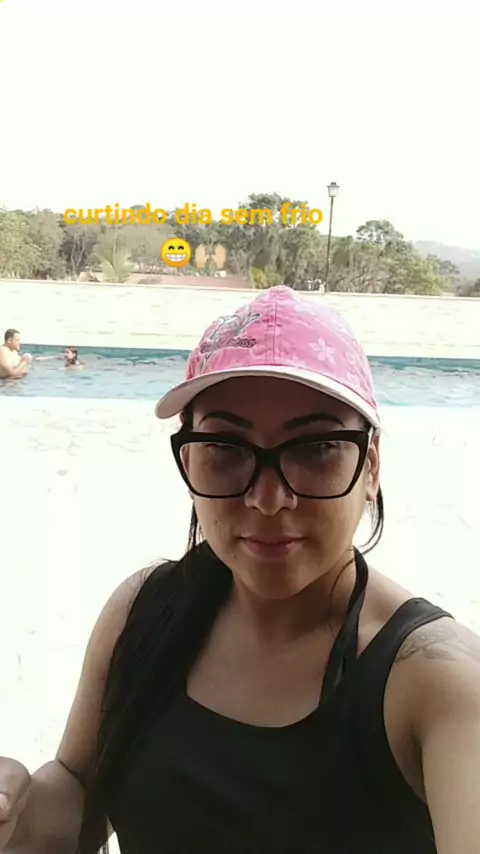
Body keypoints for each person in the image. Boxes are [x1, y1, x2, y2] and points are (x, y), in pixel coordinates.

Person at [1, 285, 479, 854]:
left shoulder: (436, 681)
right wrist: (19, 812)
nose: (268, 499)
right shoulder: (143, 612)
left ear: (370, 466)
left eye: (317, 447)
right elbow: (78, 785)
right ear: (188, 458)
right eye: (226, 448)